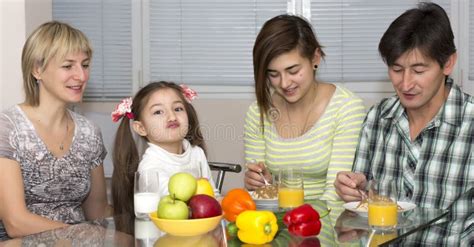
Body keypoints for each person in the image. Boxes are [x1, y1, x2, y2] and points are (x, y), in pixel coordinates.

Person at [334, 3, 473, 246]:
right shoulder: (377, 119)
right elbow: (361, 206)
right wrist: (353, 189)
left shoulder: (469, 123)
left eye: (419, 70)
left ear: (448, 63)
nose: (406, 84)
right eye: (396, 69)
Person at [0, 21, 110, 240]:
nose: (81, 76)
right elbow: (16, 222)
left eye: (85, 65)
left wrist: (148, 214)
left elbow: (97, 212)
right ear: (37, 69)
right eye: (68, 66)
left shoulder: (90, 133)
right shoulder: (8, 127)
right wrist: (77, 234)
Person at [244, 14, 366, 201]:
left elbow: (336, 195)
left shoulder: (347, 108)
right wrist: (260, 184)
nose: (284, 83)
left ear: (315, 58)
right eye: (273, 74)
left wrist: (302, 224)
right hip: (277, 222)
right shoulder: (258, 112)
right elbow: (258, 197)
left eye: (293, 71)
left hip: (327, 224)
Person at [111, 81, 218, 220]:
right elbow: (173, 204)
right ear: (141, 128)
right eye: (158, 112)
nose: (172, 116)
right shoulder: (149, 167)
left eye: (178, 109)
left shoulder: (197, 153)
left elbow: (213, 194)